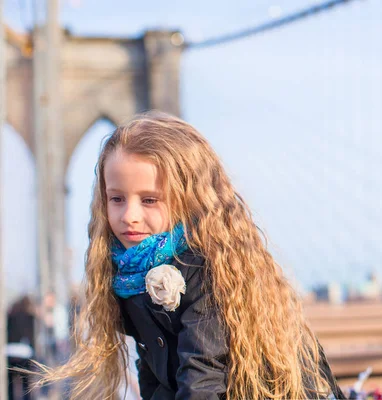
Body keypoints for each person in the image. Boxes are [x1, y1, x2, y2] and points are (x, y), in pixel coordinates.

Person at [35, 111, 346, 400]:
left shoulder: (209, 268)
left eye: (149, 200)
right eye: (116, 198)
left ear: (188, 199)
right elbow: (154, 370)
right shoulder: (127, 273)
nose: (129, 215)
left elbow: (202, 376)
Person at [7, 295, 36, 399]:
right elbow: (31, 336)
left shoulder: (10, 315)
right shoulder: (30, 316)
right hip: (24, 352)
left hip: (9, 351)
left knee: (10, 383)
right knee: (26, 382)